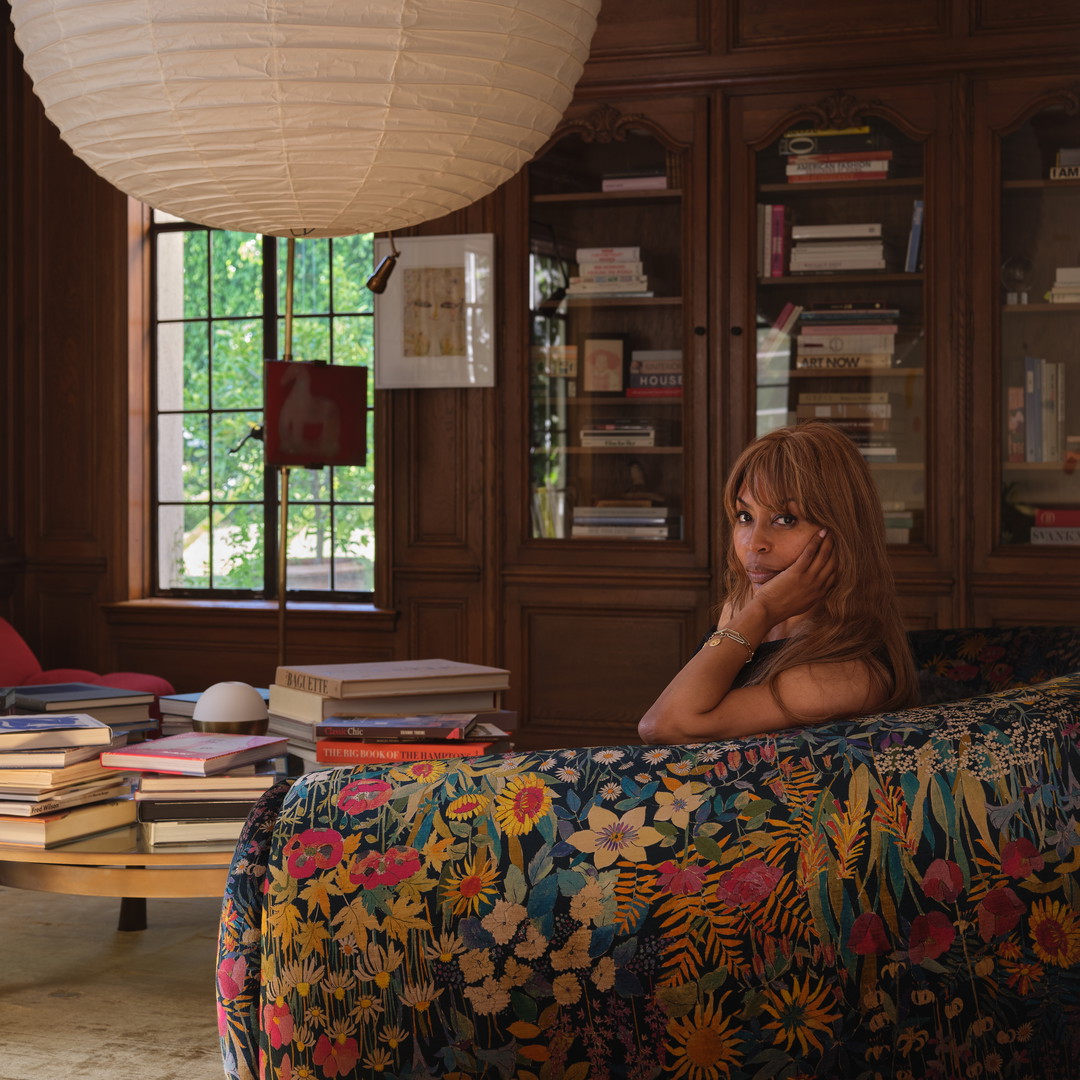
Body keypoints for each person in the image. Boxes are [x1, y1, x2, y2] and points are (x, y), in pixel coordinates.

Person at [638, 420, 918, 744]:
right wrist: (759, 613)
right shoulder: (744, 606)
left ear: (842, 532)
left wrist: (763, 611)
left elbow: (662, 726)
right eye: (745, 516)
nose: (755, 542)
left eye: (785, 519)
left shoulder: (850, 676)